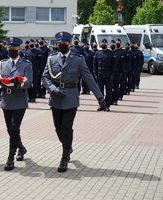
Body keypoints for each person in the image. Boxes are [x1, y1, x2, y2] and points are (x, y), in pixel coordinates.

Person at [42, 31, 106, 172]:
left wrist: (100, 97)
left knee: (66, 127)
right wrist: (53, 89)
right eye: (60, 44)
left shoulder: (78, 59)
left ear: (69, 44)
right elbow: (45, 77)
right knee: (58, 129)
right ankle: (68, 146)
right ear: (57, 44)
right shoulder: (51, 59)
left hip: (71, 97)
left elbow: (88, 78)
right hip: (56, 97)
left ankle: (64, 157)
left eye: (65, 44)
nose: (62, 46)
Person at [0, 37, 33, 171]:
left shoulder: (26, 64)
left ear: (19, 50)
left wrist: (18, 82)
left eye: (14, 49)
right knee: (10, 129)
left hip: (19, 99)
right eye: (9, 49)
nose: (11, 51)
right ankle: (21, 148)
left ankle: (10, 157)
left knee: (14, 128)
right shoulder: (2, 63)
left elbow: (28, 82)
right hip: (6, 98)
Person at [93, 39, 116, 111]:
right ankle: (101, 104)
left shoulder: (111, 53)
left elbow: (114, 65)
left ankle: (107, 105)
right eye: (102, 43)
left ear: (107, 44)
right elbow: (94, 65)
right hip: (100, 74)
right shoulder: (97, 53)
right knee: (100, 91)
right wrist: (95, 74)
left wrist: (112, 75)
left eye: (105, 43)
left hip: (108, 74)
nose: (103, 44)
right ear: (100, 44)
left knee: (108, 91)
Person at [110, 39, 125, 105]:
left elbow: (122, 63)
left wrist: (121, 71)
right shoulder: (108, 53)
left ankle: (115, 100)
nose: (113, 45)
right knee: (109, 87)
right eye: (112, 44)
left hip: (117, 72)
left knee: (116, 87)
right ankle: (109, 99)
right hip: (109, 73)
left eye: (114, 44)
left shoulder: (119, 53)